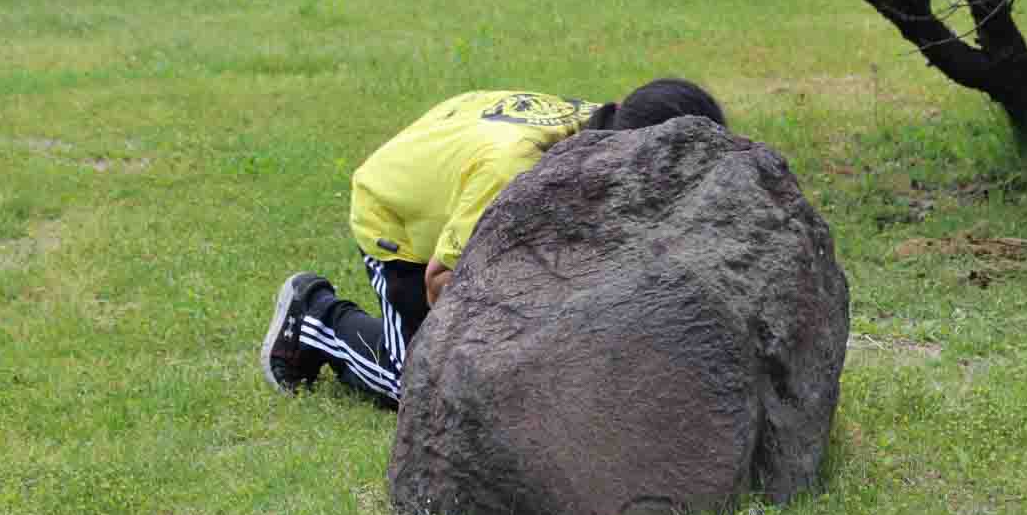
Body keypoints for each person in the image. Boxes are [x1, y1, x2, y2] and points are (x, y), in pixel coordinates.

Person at [258, 79, 725, 407]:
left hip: (454, 154)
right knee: (424, 388)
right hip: (399, 219)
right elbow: (442, 283)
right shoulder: (515, 172)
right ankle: (315, 318)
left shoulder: (604, 130)